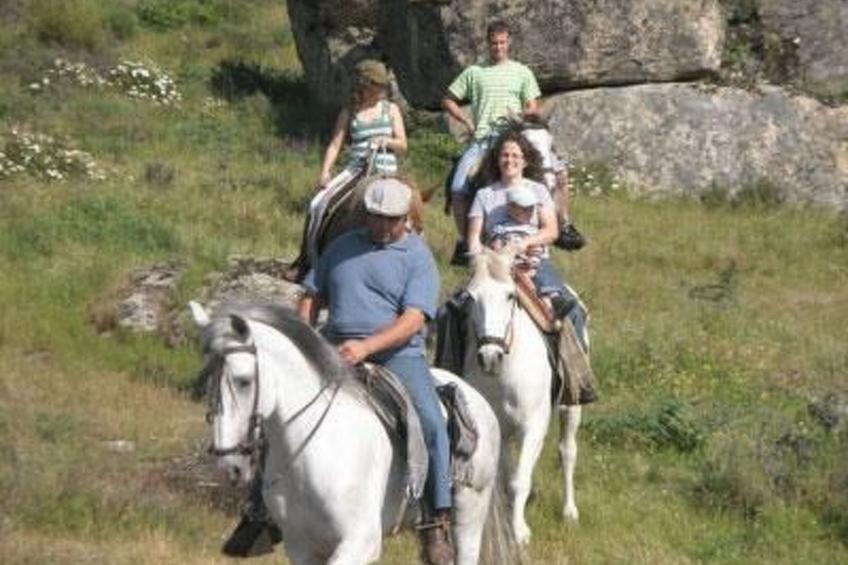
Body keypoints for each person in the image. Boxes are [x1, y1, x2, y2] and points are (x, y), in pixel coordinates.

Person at [298, 178, 455, 565]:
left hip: (396, 355)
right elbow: (311, 295)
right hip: (334, 347)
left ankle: (436, 520)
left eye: (391, 219)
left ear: (405, 219)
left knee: (432, 423)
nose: (382, 225)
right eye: (376, 217)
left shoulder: (417, 257)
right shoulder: (340, 247)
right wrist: (305, 338)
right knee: (281, 408)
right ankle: (261, 507)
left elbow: (414, 319)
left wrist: (366, 347)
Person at [285, 59, 407, 282]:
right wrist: (325, 172)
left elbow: (403, 144)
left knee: (411, 212)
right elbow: (335, 144)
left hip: (386, 171)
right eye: (377, 84)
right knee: (317, 203)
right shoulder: (350, 112)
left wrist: (385, 140)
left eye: (382, 84)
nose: (382, 89)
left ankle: (410, 261)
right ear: (365, 85)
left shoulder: (391, 110)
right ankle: (305, 260)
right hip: (356, 170)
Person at [442, 19, 541, 264]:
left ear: (509, 42)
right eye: (494, 43)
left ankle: (557, 227)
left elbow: (533, 106)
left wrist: (520, 116)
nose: (498, 47)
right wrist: (466, 121)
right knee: (457, 188)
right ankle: (466, 242)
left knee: (549, 173)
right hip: (483, 140)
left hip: (513, 138)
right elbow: (448, 99)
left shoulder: (522, 72)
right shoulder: (474, 72)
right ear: (487, 44)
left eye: (502, 42)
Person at [467, 130, 576, 319]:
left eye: (515, 155)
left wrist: (524, 244)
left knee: (572, 313)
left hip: (534, 260)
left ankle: (568, 337)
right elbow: (474, 237)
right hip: (495, 263)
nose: (509, 160)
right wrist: (481, 258)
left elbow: (551, 231)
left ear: (525, 161)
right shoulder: (484, 195)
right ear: (497, 159)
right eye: (505, 155)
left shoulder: (538, 190)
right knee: (454, 310)